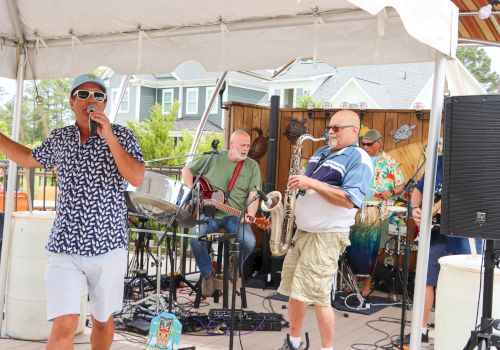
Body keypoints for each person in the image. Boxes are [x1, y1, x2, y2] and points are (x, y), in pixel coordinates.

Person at [0, 73, 145, 350]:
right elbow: (28, 159)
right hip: (65, 245)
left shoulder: (123, 135)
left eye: (98, 96)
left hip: (108, 244)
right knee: (65, 322)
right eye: (84, 94)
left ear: (105, 104)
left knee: (102, 320)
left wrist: (110, 137)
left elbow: (136, 177)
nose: (91, 100)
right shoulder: (61, 137)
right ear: (71, 102)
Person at [277, 110, 373, 350]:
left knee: (320, 297)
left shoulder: (358, 158)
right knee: (294, 292)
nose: (330, 132)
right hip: (304, 233)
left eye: (337, 128)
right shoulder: (321, 153)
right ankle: (294, 342)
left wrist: (310, 182)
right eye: (330, 127)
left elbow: (350, 199)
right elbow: (310, 189)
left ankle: (326, 348)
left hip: (326, 236)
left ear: (354, 131)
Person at [403, 155, 480, 344]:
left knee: (464, 285)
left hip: (464, 235)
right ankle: (420, 330)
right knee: (425, 280)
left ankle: (462, 330)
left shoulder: (478, 163)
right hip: (435, 235)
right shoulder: (438, 161)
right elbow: (419, 190)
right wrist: (415, 209)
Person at [182, 129, 261, 297]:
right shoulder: (213, 157)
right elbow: (186, 170)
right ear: (231, 145)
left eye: (248, 145)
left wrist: (251, 215)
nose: (245, 149)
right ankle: (207, 274)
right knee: (195, 238)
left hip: (234, 216)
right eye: (242, 145)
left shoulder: (252, 166)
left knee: (249, 241)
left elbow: (254, 195)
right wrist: (192, 193)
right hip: (208, 215)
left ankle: (233, 265)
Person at [360, 129, 405, 297]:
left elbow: (401, 185)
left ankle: (367, 284)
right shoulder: (359, 159)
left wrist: (391, 192)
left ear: (379, 143)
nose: (365, 147)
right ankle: (354, 280)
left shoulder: (390, 163)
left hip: (379, 211)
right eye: (363, 143)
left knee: (373, 249)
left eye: (369, 144)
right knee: (356, 246)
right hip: (358, 209)